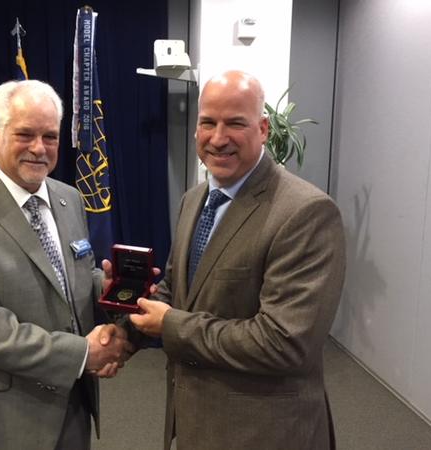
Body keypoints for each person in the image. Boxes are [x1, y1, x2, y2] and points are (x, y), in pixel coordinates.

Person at [130, 70, 346, 450]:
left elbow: (283, 343)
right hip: (199, 421)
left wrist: (172, 326)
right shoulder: (193, 200)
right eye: (208, 123)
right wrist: (127, 317)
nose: (218, 138)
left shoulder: (305, 212)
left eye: (235, 123)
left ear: (263, 128)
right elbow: (176, 291)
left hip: (265, 432)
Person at [0, 79, 132, 450]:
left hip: (69, 410)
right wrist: (84, 354)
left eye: (50, 136)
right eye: (25, 134)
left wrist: (113, 290)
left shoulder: (69, 198)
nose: (39, 148)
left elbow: (73, 280)